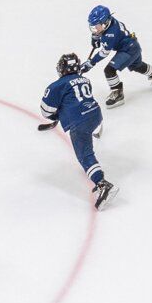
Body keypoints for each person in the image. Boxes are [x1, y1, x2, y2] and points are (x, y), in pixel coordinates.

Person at [40, 54, 117, 209]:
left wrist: (58, 114)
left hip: (79, 122)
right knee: (88, 120)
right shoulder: (85, 80)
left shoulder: (55, 86)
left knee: (85, 155)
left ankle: (103, 184)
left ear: (62, 69)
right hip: (96, 114)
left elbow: (46, 112)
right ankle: (96, 129)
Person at [86, 5, 152, 108]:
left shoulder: (110, 34)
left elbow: (104, 53)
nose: (95, 29)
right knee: (137, 65)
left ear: (105, 23)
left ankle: (118, 93)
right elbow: (100, 33)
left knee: (109, 70)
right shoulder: (110, 21)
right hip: (133, 46)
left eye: (97, 26)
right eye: (93, 27)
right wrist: (95, 37)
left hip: (128, 50)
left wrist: (91, 62)